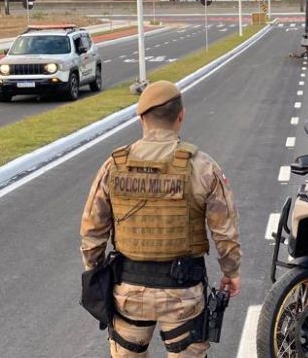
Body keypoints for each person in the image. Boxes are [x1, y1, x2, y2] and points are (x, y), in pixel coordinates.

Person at [80, 80, 241, 357]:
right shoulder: (202, 166)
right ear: (181, 116)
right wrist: (231, 272)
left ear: (141, 118)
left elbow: (92, 231)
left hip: (128, 293)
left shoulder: (113, 166)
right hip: (183, 294)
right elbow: (224, 231)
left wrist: (95, 271)